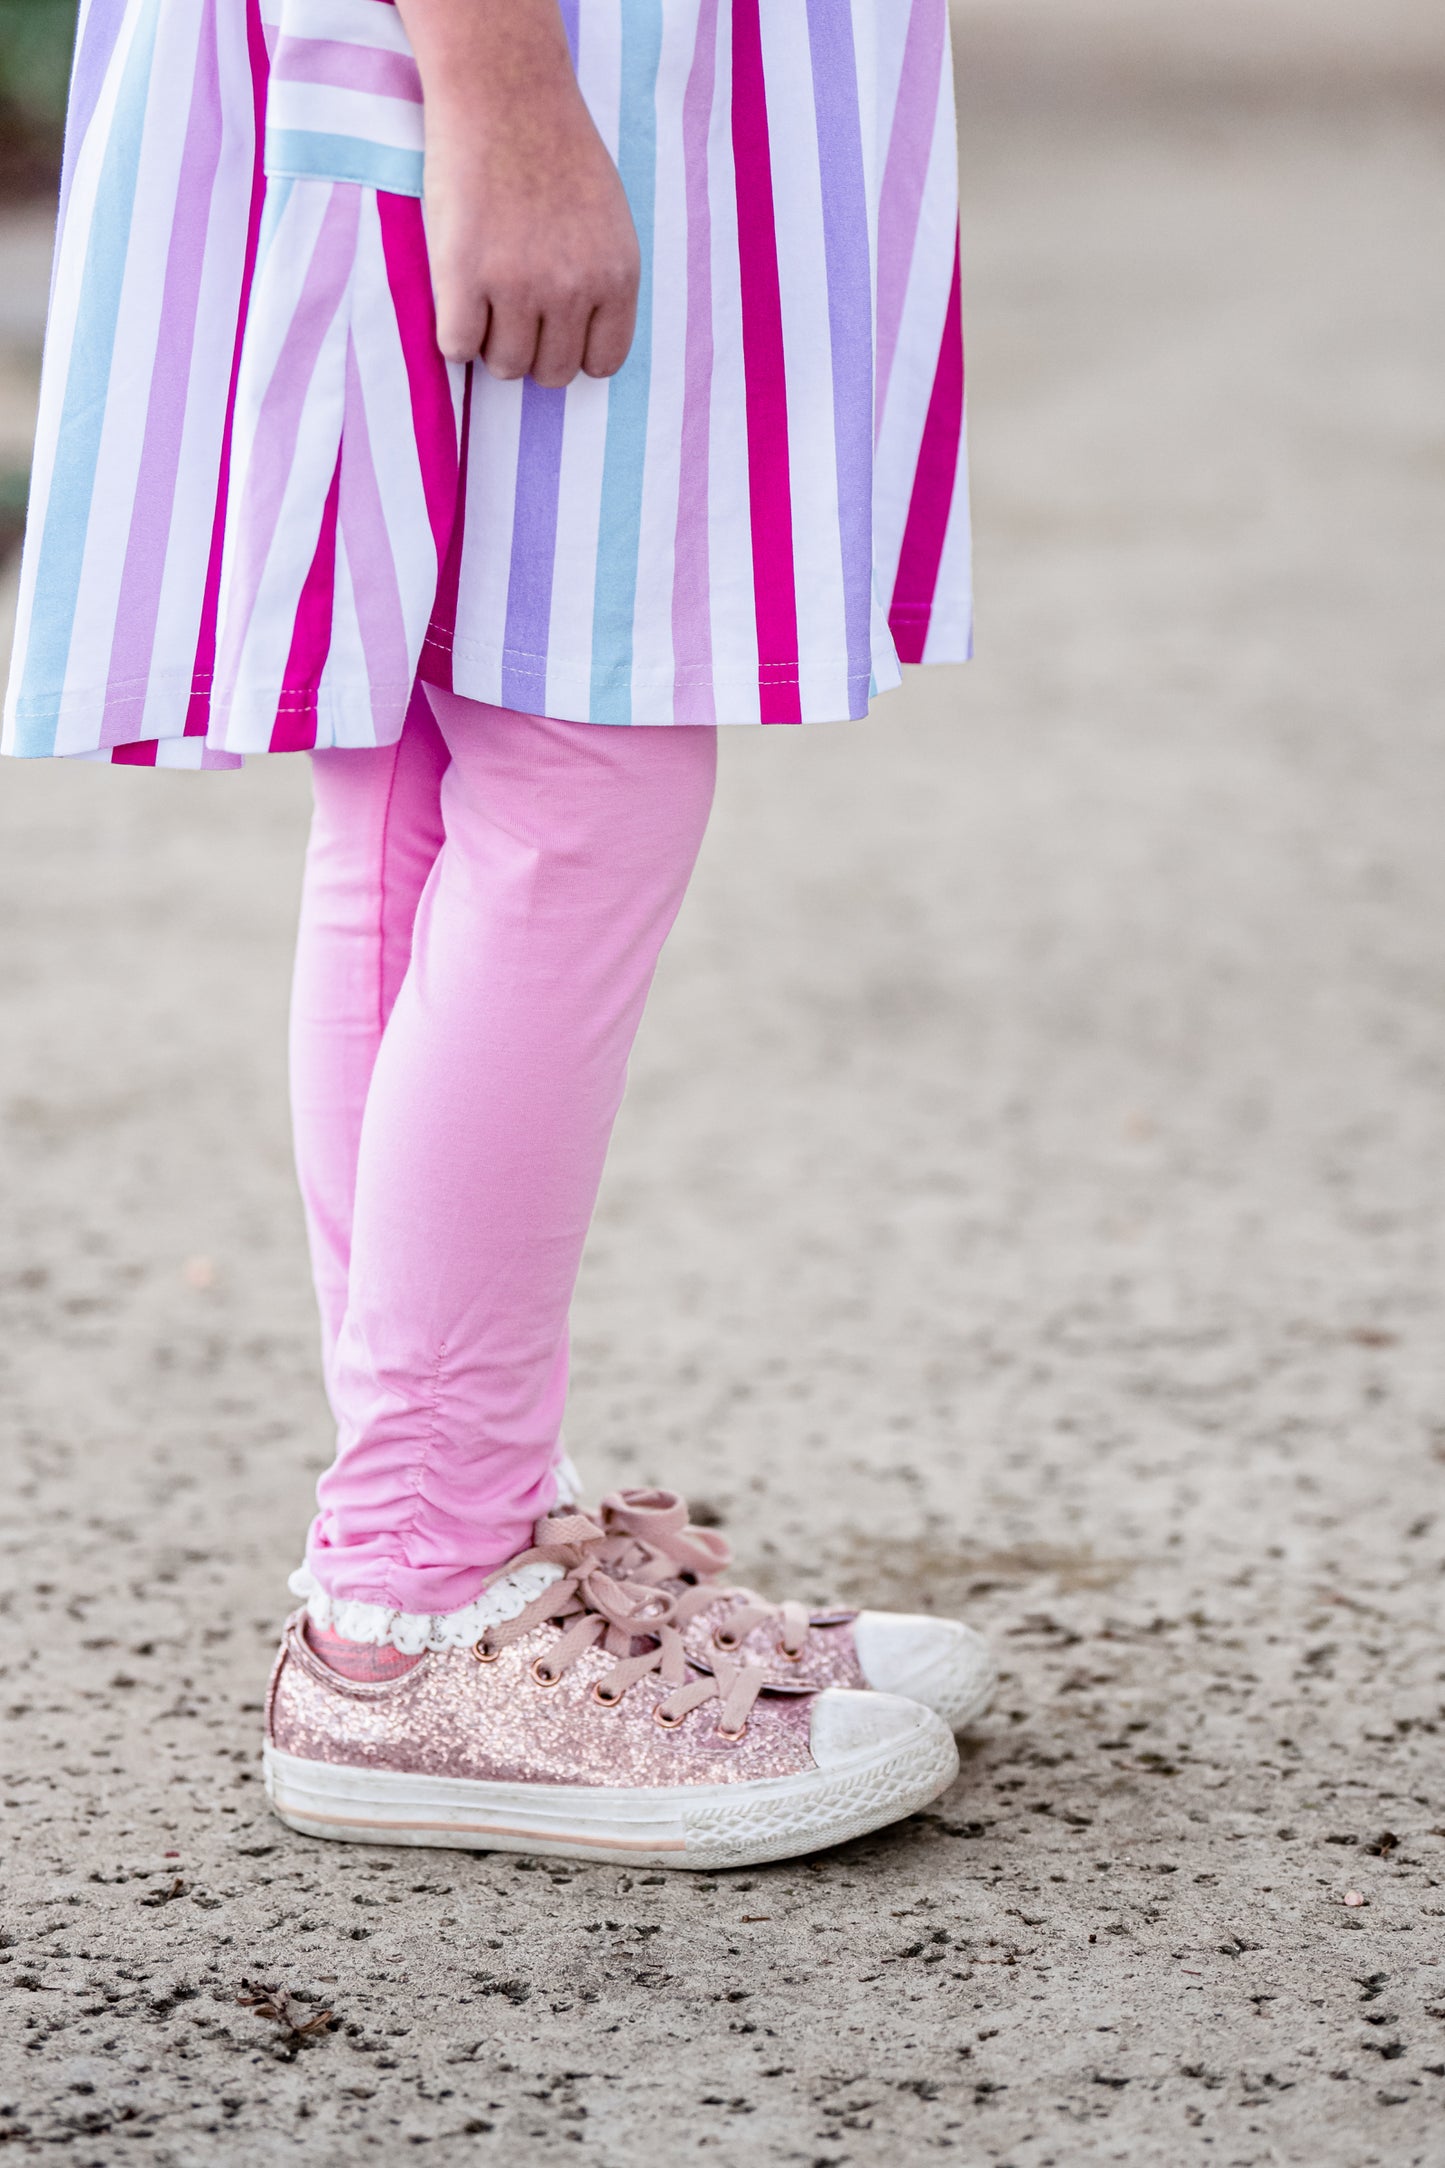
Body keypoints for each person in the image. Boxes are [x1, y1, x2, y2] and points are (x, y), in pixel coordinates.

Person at [4, 0, 989, 1869]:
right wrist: (507, 97)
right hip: (545, 62)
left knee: (435, 761)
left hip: (569, 70)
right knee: (579, 753)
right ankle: (413, 1598)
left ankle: (453, 1551)